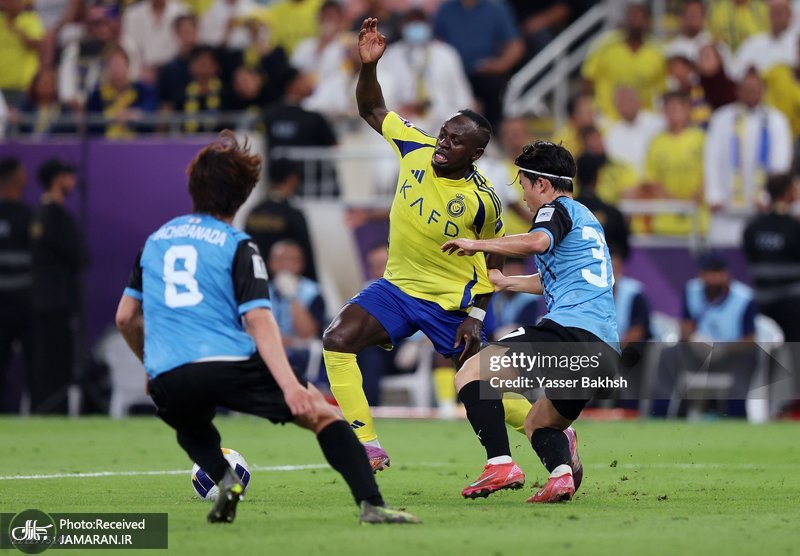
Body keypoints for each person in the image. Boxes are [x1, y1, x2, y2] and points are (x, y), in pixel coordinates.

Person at [114, 130, 419, 525]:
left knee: (190, 426)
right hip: (229, 362)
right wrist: (292, 386)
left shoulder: (155, 241)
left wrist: (151, 366)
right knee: (323, 415)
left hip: (170, 372)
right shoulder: (238, 244)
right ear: (242, 196)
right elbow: (259, 320)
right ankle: (372, 506)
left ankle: (224, 479)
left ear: (193, 188)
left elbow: (126, 317)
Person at [322, 19, 507, 471]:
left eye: (456, 142)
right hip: (397, 287)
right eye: (444, 133)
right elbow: (371, 108)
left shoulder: (482, 201)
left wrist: (477, 315)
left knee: (477, 389)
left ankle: (550, 428)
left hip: (448, 301)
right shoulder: (414, 147)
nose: (443, 144)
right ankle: (367, 444)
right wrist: (370, 66)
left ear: (475, 154)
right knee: (338, 339)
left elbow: (494, 257)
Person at [441, 140, 619, 503]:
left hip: (569, 333)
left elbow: (537, 242)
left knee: (471, 374)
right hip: (604, 351)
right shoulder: (587, 219)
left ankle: (500, 463)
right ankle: (561, 476)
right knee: (539, 422)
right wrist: (507, 282)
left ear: (542, 183)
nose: (523, 197)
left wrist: (479, 245)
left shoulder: (554, 209)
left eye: (523, 185)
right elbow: (560, 279)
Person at [704, 68, 792, 245]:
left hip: (762, 209)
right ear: (737, 90)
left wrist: (768, 196)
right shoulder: (721, 118)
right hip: (726, 209)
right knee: (725, 252)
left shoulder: (776, 120)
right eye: (747, 88)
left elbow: (780, 163)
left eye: (756, 88)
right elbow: (711, 159)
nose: (751, 93)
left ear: (763, 90)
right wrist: (714, 194)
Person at [30, 158, 89, 414]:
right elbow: (80, 256)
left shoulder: (44, 214)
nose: (73, 181)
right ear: (57, 180)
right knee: (56, 362)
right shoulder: (54, 215)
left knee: (50, 360)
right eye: (68, 175)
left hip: (47, 301)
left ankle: (49, 409)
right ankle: (53, 411)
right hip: (56, 303)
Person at [743, 174, 800, 343]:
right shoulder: (794, 227)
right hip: (792, 304)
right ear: (788, 192)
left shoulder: (754, 226)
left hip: (762, 301)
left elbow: (750, 254)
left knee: (766, 351)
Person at [0, 158, 34, 412]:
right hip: (16, 305)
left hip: (25, 306)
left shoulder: (30, 216)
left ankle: (37, 413)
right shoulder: (30, 216)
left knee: (35, 365)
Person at [266, 240, 325, 372]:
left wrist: (292, 296)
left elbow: (307, 333)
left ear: (302, 264)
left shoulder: (313, 292)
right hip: (269, 352)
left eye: (292, 260)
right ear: (270, 263)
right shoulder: (261, 292)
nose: (286, 265)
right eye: (280, 260)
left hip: (301, 357)